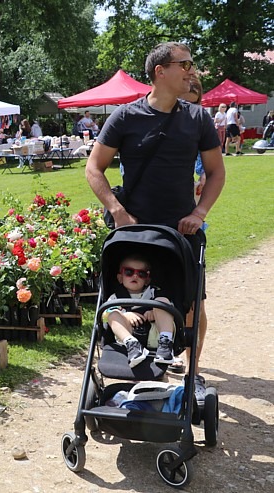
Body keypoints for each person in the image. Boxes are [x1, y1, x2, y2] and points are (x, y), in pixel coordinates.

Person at [85, 41, 225, 406]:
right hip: (134, 232)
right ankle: (128, 358)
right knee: (122, 299)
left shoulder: (198, 119)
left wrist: (199, 213)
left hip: (181, 233)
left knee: (193, 306)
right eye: (186, 64)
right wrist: (117, 211)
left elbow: (215, 173)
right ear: (160, 71)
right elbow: (93, 168)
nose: (192, 71)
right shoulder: (125, 117)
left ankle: (192, 374)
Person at [105, 254, 176, 367]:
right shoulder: (116, 297)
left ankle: (166, 343)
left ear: (147, 280)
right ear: (120, 278)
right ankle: (133, 345)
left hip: (155, 334)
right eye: (129, 272)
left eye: (141, 274)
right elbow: (105, 316)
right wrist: (125, 315)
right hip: (129, 335)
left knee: (163, 302)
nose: (135, 276)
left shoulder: (154, 292)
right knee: (111, 313)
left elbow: (171, 308)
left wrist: (155, 311)